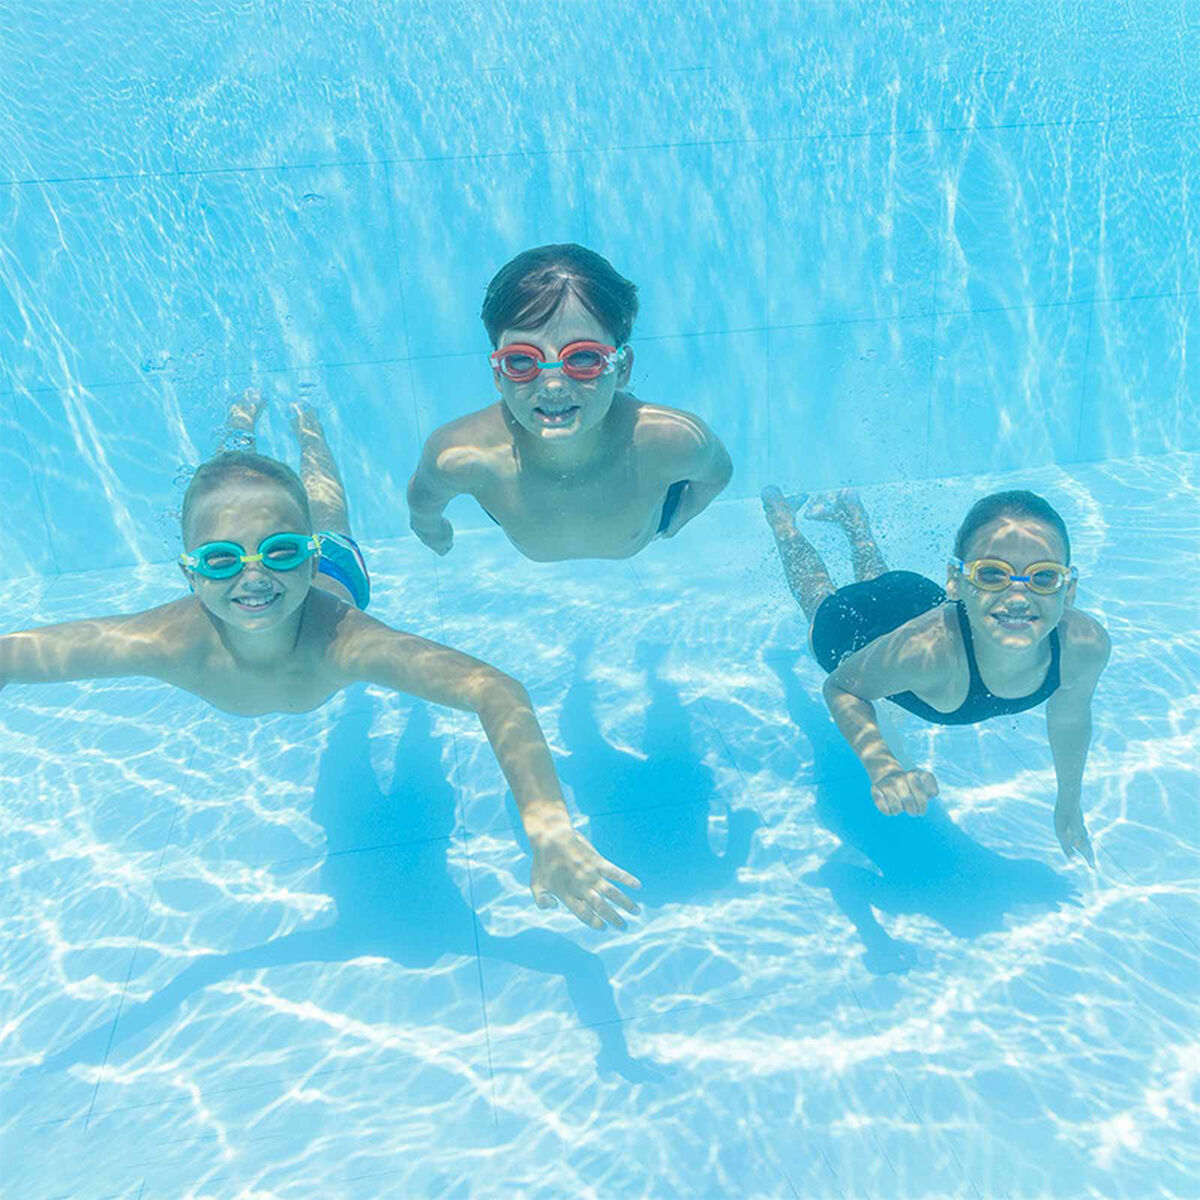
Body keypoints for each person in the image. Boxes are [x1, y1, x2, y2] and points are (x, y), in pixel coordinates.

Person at [0, 394, 641, 930]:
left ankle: (308, 428)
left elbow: (494, 689)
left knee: (327, 507)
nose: (254, 577)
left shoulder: (342, 640)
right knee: (229, 478)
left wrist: (550, 831)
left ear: (305, 556)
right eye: (221, 560)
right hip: (288, 567)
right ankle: (240, 425)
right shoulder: (165, 641)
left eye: (280, 552)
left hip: (340, 572)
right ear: (190, 574)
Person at [762, 485, 1110, 864]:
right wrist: (885, 768)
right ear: (955, 581)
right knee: (817, 596)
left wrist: (1069, 803)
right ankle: (783, 521)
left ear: (1068, 589)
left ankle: (855, 522)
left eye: (1043, 578)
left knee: (878, 580)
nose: (1017, 597)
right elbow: (843, 688)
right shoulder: (927, 654)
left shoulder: (1083, 646)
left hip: (911, 596)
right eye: (992, 574)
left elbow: (1070, 716)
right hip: (856, 627)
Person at [407, 243, 732, 561]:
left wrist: (675, 520)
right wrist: (435, 534)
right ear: (498, 375)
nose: (552, 386)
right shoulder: (459, 455)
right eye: (521, 360)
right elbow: (422, 507)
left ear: (622, 369)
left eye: (583, 357)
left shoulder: (672, 440)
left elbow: (717, 475)